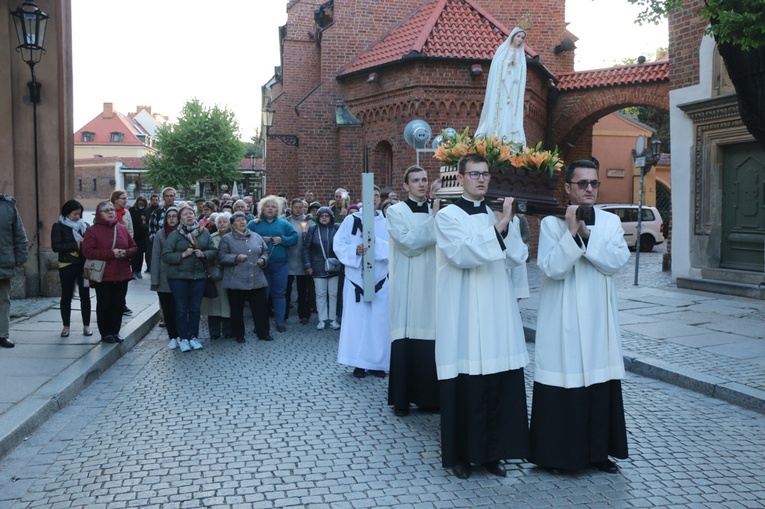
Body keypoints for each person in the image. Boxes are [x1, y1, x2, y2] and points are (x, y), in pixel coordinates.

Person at [530, 159, 630, 474]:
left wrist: (585, 235)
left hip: (599, 319)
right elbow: (552, 269)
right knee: (566, 382)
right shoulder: (550, 223)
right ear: (568, 188)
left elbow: (616, 262)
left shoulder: (611, 222)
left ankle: (599, 453)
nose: (589, 189)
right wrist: (571, 235)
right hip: (564, 320)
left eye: (594, 183)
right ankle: (559, 456)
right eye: (582, 183)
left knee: (600, 384)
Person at [434, 153, 530, 479]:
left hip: (497, 311)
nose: (481, 179)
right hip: (463, 314)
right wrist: (500, 226)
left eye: (485, 174)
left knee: (496, 383)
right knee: (467, 386)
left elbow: (518, 255)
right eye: (474, 174)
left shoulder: (498, 214)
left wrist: (509, 224)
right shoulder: (447, 217)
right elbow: (462, 254)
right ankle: (461, 455)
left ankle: (494, 453)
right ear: (460, 178)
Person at [386, 166, 441, 417]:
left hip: (435, 281)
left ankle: (431, 398)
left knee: (434, 336)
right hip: (409, 283)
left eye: (424, 180)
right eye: (416, 181)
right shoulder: (396, 211)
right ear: (405, 186)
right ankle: (403, 399)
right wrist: (435, 219)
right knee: (408, 336)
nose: (421, 184)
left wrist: (437, 214)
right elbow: (408, 244)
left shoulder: (437, 210)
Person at [333, 186, 390, 378]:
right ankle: (358, 363)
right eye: (369, 196)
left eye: (376, 196)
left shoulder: (387, 221)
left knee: (378, 323)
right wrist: (354, 250)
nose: (373, 199)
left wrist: (374, 245)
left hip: (380, 280)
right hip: (356, 280)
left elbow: (394, 248)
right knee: (357, 323)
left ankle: (377, 363)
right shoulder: (351, 220)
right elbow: (338, 245)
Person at [162, 204, 217, 352]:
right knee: (181, 308)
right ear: (180, 218)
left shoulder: (204, 232)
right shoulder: (174, 235)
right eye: (185, 214)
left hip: (199, 276)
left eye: (191, 213)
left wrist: (204, 254)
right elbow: (166, 255)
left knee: (195, 308)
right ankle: (183, 337)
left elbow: (213, 250)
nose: (189, 216)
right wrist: (182, 255)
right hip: (178, 276)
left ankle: (194, 336)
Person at [82, 201, 137, 344]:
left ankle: (115, 332)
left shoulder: (122, 228)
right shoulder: (92, 230)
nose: (110, 212)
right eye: (106, 210)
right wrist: (111, 253)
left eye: (111, 209)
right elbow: (87, 251)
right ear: (99, 214)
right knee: (105, 304)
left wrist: (125, 253)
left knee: (118, 305)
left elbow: (133, 247)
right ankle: (105, 333)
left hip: (122, 273)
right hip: (104, 275)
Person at [247, 195, 298, 333]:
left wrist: (282, 240)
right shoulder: (254, 224)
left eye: (273, 207)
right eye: (267, 206)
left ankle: (280, 322)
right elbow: (245, 239)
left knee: (279, 294)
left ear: (278, 210)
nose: (270, 209)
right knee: (262, 295)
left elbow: (295, 238)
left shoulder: (284, 224)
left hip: (280, 265)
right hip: (260, 265)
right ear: (262, 209)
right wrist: (259, 240)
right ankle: (260, 323)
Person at [219, 211, 272, 343]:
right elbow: (221, 256)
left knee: (260, 308)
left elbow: (265, 251)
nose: (242, 222)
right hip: (236, 280)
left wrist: (263, 260)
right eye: (238, 220)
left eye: (243, 220)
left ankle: (263, 333)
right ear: (232, 225)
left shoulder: (256, 236)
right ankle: (239, 335)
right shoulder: (227, 239)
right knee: (237, 310)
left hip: (256, 279)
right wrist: (235, 258)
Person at [475, 27, 527, 148]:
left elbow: (521, 72)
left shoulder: (521, 54)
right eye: (518, 36)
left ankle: (510, 139)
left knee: (509, 112)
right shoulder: (503, 50)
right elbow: (496, 67)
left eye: (522, 38)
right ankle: (495, 137)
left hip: (512, 90)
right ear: (513, 36)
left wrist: (516, 66)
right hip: (501, 89)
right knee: (499, 110)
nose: (519, 40)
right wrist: (507, 63)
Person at [51, 200, 92, 338]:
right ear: (67, 213)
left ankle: (86, 326)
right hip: (67, 265)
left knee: (85, 296)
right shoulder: (58, 226)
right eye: (74, 214)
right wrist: (76, 244)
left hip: (83, 265)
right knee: (66, 296)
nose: (77, 217)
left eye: (79, 214)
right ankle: (66, 326)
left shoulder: (85, 226)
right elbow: (56, 247)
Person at [303, 207, 341, 330]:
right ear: (318, 218)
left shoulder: (336, 228)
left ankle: (333, 318)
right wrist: (308, 265)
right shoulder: (313, 229)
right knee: (320, 293)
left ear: (331, 217)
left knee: (333, 294)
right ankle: (322, 319)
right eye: (322, 215)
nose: (324, 217)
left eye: (327, 215)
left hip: (334, 266)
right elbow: (306, 249)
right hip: (318, 265)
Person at [0, 193, 28, 349]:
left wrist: (21, 256)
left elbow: (19, 233)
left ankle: (2, 335)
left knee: (3, 300)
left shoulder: (8, 206)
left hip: (2, 260)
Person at [150, 206, 180, 348]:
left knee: (180, 308)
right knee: (168, 310)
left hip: (181, 275)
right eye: (169, 216)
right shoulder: (160, 234)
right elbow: (155, 257)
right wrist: (154, 280)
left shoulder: (183, 232)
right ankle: (172, 336)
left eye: (175, 216)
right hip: (164, 277)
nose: (172, 218)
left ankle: (183, 335)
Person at [201, 212, 232, 340]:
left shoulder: (234, 237)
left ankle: (228, 331)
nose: (222, 224)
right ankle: (214, 332)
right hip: (214, 274)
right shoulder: (211, 237)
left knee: (228, 304)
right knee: (213, 304)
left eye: (225, 221)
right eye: (220, 222)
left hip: (229, 274)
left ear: (230, 223)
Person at [286, 199, 311, 324]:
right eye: (296, 207)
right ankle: (284, 314)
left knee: (303, 290)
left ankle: (304, 314)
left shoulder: (309, 222)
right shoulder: (287, 221)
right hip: (289, 258)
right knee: (286, 289)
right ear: (291, 208)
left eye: (300, 207)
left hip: (303, 260)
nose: (298, 209)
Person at [128, 196, 149, 279]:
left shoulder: (146, 210)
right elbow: (132, 221)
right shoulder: (132, 210)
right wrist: (140, 220)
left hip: (143, 236)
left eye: (143, 203)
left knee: (140, 254)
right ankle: (133, 271)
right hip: (134, 235)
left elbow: (147, 221)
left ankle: (138, 271)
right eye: (140, 203)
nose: (141, 205)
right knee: (134, 254)